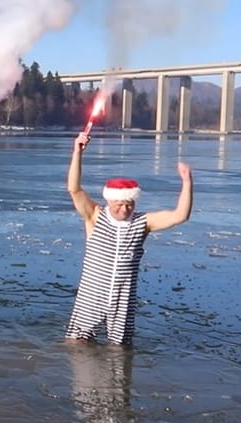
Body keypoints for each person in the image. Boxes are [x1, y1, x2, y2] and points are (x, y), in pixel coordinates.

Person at [65, 131, 193, 345]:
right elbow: (74, 189)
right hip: (92, 295)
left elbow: (180, 216)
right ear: (110, 200)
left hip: (122, 300)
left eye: (129, 204)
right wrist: (77, 152)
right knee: (77, 346)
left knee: (120, 354)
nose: (124, 208)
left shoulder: (143, 222)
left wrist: (187, 182)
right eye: (119, 203)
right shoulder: (95, 215)